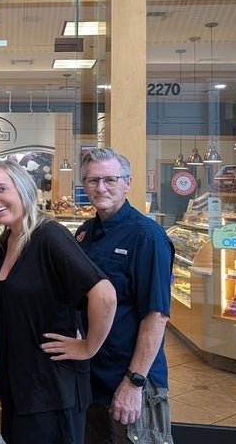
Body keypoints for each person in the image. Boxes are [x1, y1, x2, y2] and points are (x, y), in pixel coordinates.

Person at [0, 160, 116, 444]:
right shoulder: (6, 242)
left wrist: (88, 347)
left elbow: (104, 294)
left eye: (2, 189)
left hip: (52, 390)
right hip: (20, 385)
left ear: (24, 190)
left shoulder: (49, 235)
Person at [73, 148, 175, 444]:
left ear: (127, 183)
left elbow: (156, 316)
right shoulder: (84, 233)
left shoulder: (147, 236)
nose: (100, 187)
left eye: (109, 179)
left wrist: (134, 383)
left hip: (131, 381)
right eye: (92, 181)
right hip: (93, 378)